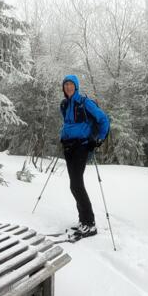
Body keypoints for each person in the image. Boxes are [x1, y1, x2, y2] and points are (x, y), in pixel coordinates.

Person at [59, 74, 110, 238]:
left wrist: (99, 139)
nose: (68, 87)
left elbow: (103, 120)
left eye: (71, 84)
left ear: (76, 86)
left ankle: (90, 223)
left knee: (76, 184)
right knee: (74, 185)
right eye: (66, 85)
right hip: (68, 147)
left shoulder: (84, 102)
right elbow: (68, 124)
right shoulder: (65, 104)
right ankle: (83, 221)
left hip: (82, 146)